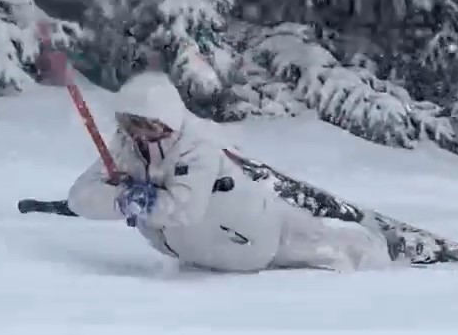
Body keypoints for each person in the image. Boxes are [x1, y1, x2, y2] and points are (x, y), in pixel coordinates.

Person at [66, 70, 390, 274]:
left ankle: (383, 252)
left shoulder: (196, 146)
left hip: (249, 238)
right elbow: (80, 197)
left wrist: (147, 202)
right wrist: (122, 199)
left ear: (164, 119)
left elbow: (185, 209)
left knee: (326, 248)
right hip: (200, 255)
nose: (137, 135)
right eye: (130, 125)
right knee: (314, 246)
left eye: (145, 126)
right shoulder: (126, 145)